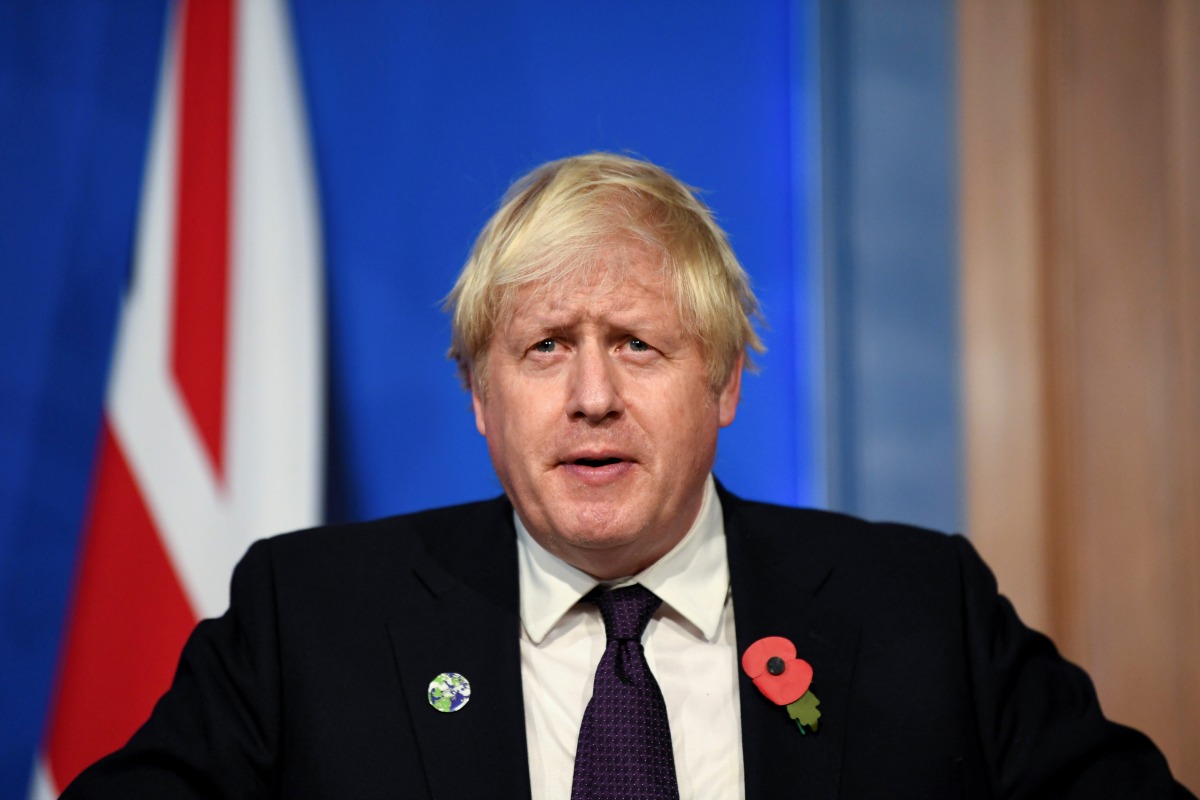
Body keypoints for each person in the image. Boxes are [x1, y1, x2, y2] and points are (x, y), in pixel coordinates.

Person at [64, 153, 1192, 798]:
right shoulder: (309, 621)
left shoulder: (918, 612)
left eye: (640, 345)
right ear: (480, 397)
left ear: (726, 384)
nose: (592, 395)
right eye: (546, 346)